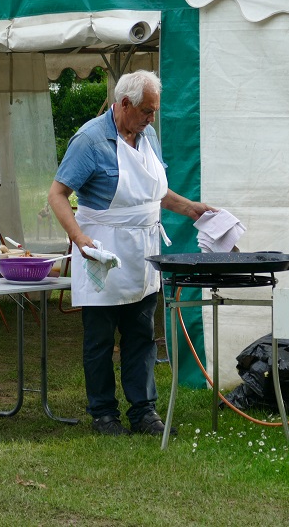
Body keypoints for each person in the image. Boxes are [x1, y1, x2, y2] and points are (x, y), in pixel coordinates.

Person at [48, 71, 214, 436]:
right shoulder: (90, 140)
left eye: (153, 111)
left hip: (143, 252)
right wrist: (79, 238)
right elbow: (57, 194)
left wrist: (190, 209)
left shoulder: (147, 135)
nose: (151, 118)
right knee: (100, 340)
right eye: (146, 111)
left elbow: (155, 192)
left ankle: (143, 409)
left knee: (141, 335)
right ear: (124, 104)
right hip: (102, 250)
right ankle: (103, 412)